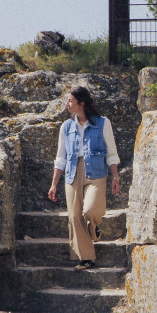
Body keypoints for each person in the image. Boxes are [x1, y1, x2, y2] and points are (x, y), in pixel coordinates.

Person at [48, 86, 120, 269]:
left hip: (96, 172)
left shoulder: (103, 123)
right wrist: (54, 183)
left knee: (89, 211)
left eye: (70, 100)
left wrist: (115, 177)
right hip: (72, 173)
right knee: (74, 216)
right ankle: (86, 258)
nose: (67, 104)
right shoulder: (66, 126)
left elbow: (111, 153)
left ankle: (94, 226)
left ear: (82, 103)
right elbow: (61, 157)